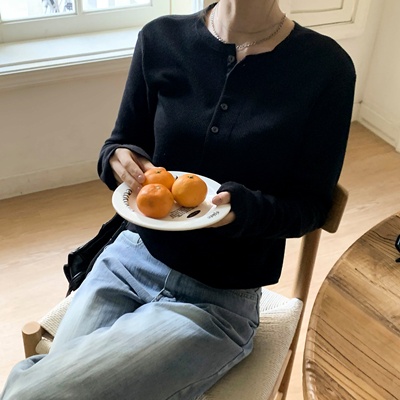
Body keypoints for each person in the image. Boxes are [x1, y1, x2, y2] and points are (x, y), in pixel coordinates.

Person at [1, 0, 356, 399]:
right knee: (47, 390)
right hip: (128, 261)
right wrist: (116, 159)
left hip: (218, 302)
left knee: (34, 393)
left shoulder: (326, 68)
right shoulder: (161, 39)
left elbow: (311, 206)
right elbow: (120, 142)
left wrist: (242, 211)